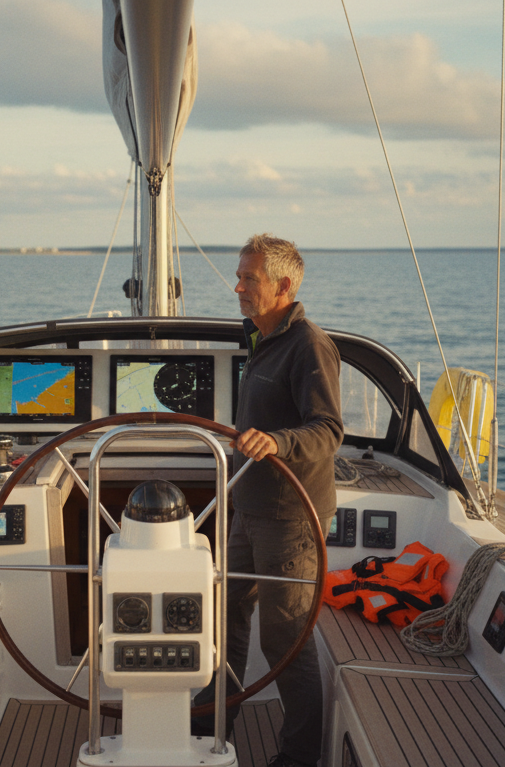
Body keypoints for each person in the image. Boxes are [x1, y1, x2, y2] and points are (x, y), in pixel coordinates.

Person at [195, 233, 342, 767]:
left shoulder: (309, 345)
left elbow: (328, 430)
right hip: (248, 510)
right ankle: (215, 716)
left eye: (248, 278)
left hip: (290, 520)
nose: (236, 286)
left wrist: (278, 440)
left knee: (286, 645)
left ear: (283, 285)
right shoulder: (259, 338)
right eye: (238, 275)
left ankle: (299, 757)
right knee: (228, 619)